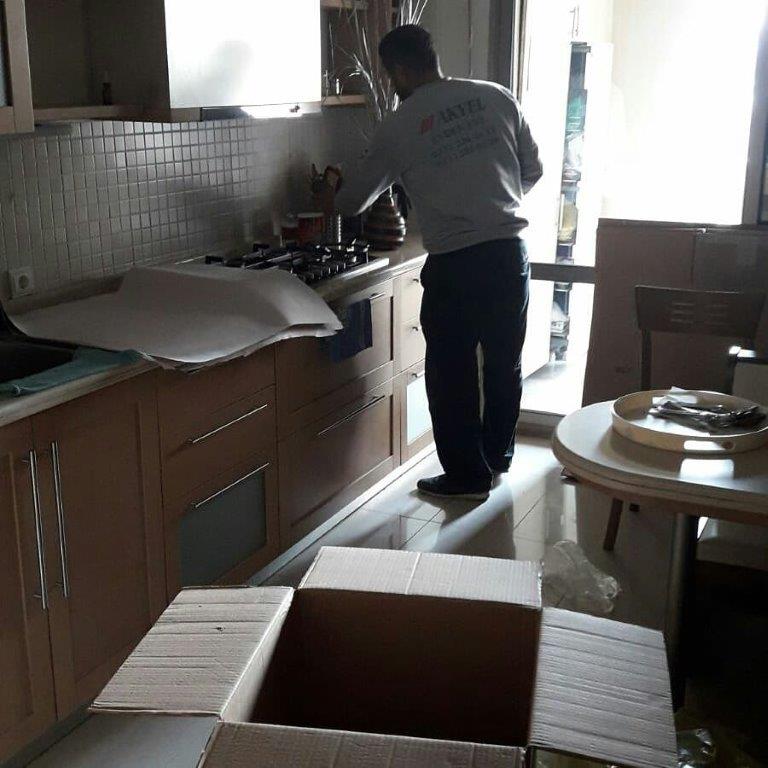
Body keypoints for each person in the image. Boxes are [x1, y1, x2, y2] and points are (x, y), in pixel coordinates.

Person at [321, 24, 542, 501]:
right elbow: (532, 170)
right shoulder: (496, 96)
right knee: (504, 363)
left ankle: (466, 477)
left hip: (455, 264)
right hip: (508, 254)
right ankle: (496, 456)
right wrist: (491, 204)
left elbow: (353, 201)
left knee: (451, 372)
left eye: (388, 75)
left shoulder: (401, 124)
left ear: (399, 70)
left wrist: (331, 191)